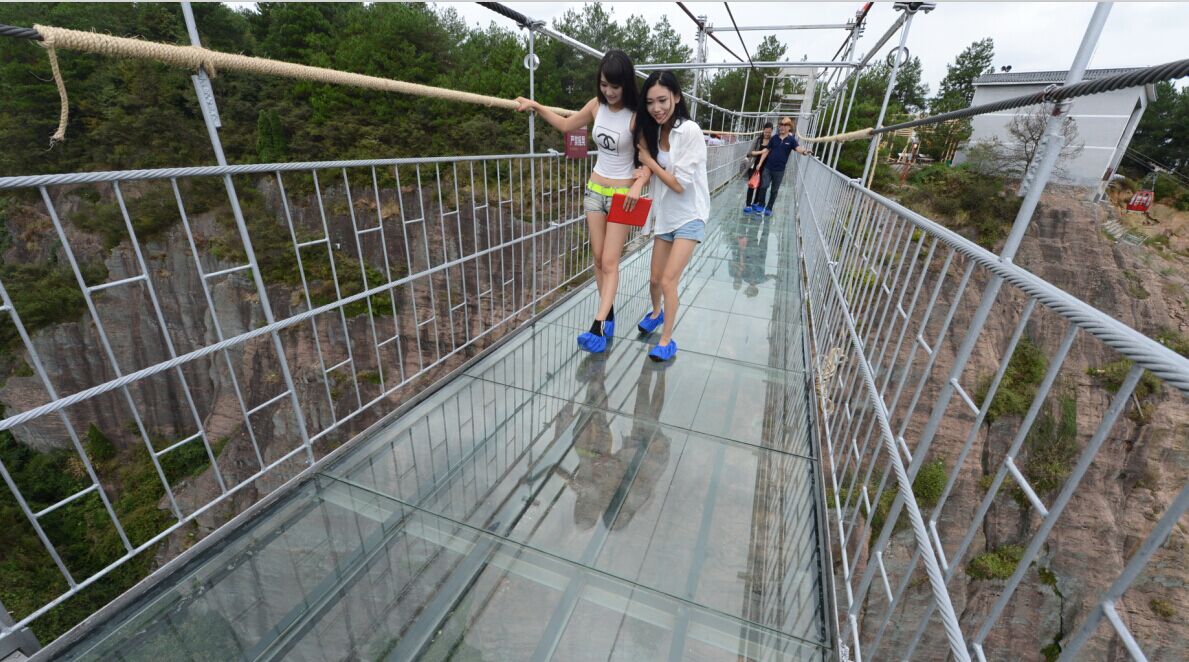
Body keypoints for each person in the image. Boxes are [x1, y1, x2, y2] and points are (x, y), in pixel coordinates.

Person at [514, 49, 648, 354]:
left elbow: (649, 159)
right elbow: (566, 125)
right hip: (594, 191)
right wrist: (537, 106)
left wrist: (640, 183)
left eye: (615, 86)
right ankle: (607, 312)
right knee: (598, 259)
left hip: (622, 197)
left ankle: (598, 326)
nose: (609, 92)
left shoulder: (637, 116)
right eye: (604, 84)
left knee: (610, 261)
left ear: (626, 84)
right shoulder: (596, 106)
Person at [631, 71, 710, 362]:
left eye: (662, 100)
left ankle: (666, 340)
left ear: (676, 97)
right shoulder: (654, 130)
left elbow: (679, 184)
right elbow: (635, 128)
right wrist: (644, 170)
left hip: (690, 215)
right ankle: (656, 313)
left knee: (667, 281)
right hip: (666, 215)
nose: (657, 108)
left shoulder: (689, 131)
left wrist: (649, 162)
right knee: (654, 279)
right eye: (650, 102)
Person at [752, 116, 811, 217]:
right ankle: (761, 204)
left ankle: (769, 208)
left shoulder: (791, 140)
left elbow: (798, 148)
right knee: (764, 186)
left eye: (785, 125)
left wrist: (805, 152)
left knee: (774, 190)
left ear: (789, 127)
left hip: (779, 170)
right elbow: (766, 151)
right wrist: (760, 163)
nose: (782, 126)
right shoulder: (774, 138)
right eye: (781, 124)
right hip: (768, 167)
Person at [743, 122, 773, 213]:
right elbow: (750, 152)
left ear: (772, 131)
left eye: (769, 132)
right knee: (752, 185)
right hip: (754, 165)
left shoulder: (772, 141)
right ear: (763, 130)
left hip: (766, 167)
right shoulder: (758, 139)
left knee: (760, 186)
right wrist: (761, 152)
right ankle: (748, 204)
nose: (767, 134)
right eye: (766, 132)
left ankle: (755, 203)